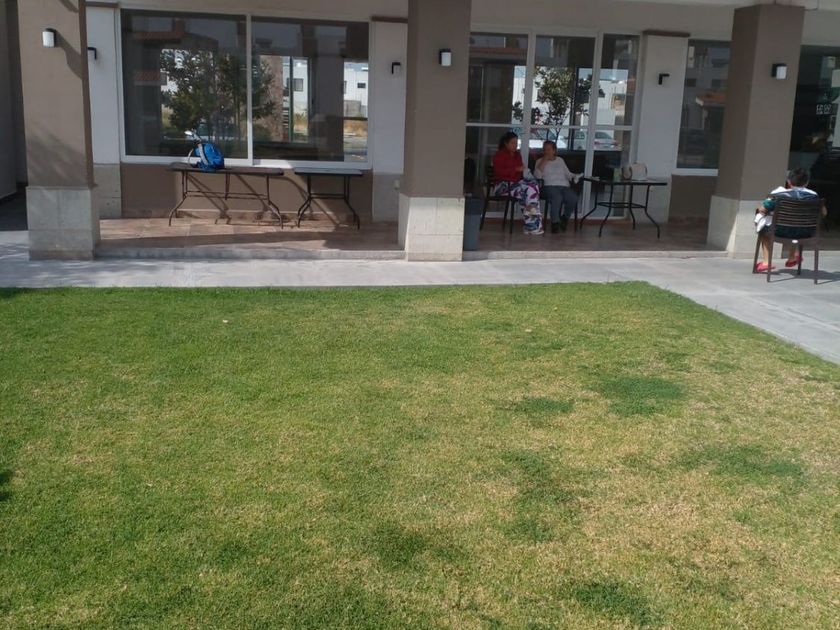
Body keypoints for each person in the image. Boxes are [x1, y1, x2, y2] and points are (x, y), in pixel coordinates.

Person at [754, 168, 827, 272]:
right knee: (796, 225)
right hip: (805, 232)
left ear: (788, 181)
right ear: (806, 183)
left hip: (779, 231)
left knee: (763, 229)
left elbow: (763, 209)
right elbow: (823, 213)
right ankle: (792, 256)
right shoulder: (814, 196)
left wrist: (759, 209)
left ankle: (766, 262)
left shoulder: (779, 194)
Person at [492, 132, 543, 235]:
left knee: (532, 187)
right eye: (512, 143)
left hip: (516, 184)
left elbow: (520, 173)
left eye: (516, 143)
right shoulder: (499, 155)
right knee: (528, 192)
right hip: (502, 186)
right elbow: (499, 172)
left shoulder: (517, 155)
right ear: (506, 143)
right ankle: (532, 225)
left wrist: (523, 172)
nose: (515, 145)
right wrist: (515, 169)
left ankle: (531, 218)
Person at [534, 140, 581, 233]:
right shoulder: (539, 161)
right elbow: (537, 176)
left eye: (548, 149)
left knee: (573, 198)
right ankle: (555, 223)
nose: (546, 152)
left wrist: (575, 176)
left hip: (564, 185)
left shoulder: (560, 160)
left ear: (554, 150)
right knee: (557, 197)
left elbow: (568, 174)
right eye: (544, 149)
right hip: (549, 186)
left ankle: (565, 218)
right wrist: (544, 161)